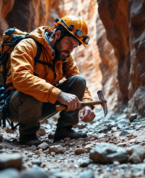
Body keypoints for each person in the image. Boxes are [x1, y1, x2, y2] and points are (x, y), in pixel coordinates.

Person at [6, 16, 96, 146]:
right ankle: (28, 135)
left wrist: (86, 104)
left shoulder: (65, 56)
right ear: (58, 34)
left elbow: (77, 80)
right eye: (69, 43)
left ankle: (64, 130)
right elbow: (21, 78)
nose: (70, 50)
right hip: (17, 106)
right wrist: (59, 95)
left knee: (79, 80)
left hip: (43, 104)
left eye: (74, 47)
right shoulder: (27, 45)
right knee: (32, 89)